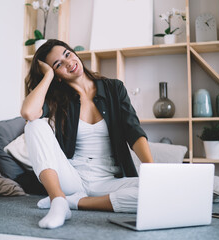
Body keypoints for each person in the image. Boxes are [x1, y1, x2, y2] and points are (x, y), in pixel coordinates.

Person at [20, 39, 153, 229]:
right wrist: (48, 75)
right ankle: (58, 199)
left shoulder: (114, 89)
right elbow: (28, 113)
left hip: (108, 182)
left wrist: (153, 171)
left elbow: (133, 131)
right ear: (56, 74)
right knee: (33, 125)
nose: (68, 62)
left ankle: (72, 202)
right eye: (58, 64)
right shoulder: (57, 99)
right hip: (73, 178)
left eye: (67, 54)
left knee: (156, 193)